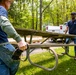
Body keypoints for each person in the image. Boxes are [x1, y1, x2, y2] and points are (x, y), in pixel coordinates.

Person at [0, 0, 28, 75]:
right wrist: (19, 40)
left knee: (2, 67)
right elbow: (3, 22)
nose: (10, 5)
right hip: (2, 45)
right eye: (10, 2)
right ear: (6, 1)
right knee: (15, 61)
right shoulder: (1, 8)